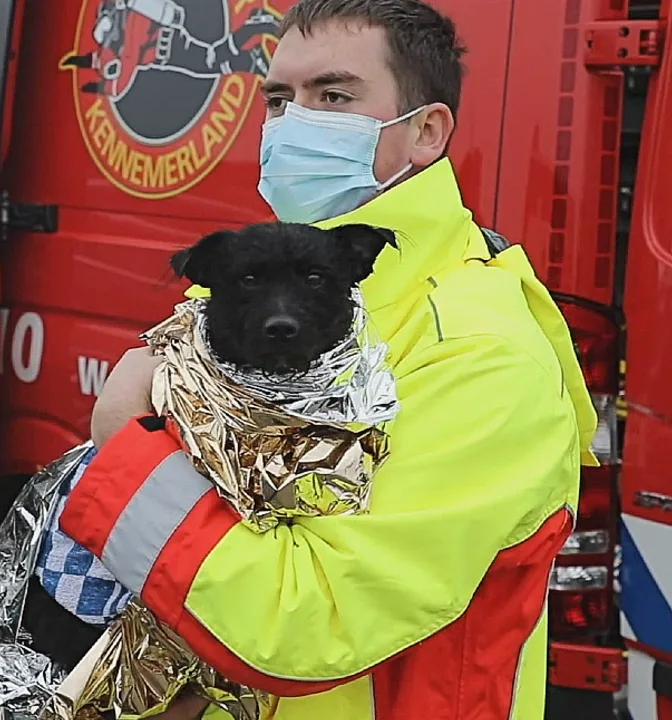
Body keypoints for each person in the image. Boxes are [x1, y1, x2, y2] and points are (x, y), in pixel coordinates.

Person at [60, 1, 598, 718]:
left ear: (426, 133)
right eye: (279, 100)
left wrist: (125, 445)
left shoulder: (479, 351)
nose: (293, 125)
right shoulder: (250, 282)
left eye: (334, 97)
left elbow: (303, 625)